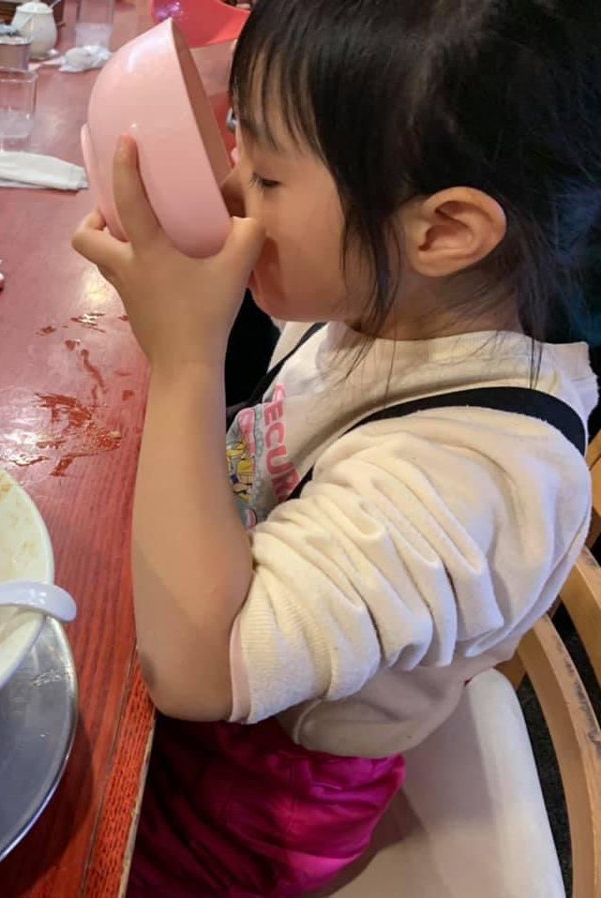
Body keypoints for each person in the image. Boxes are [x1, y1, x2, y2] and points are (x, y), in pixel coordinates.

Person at [71, 0, 601, 894]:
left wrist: (186, 359)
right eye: (238, 143)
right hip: (207, 685)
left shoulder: (469, 480)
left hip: (252, 807)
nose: (233, 190)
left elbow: (199, 675)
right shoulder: (380, 306)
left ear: (441, 231)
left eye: (268, 176)